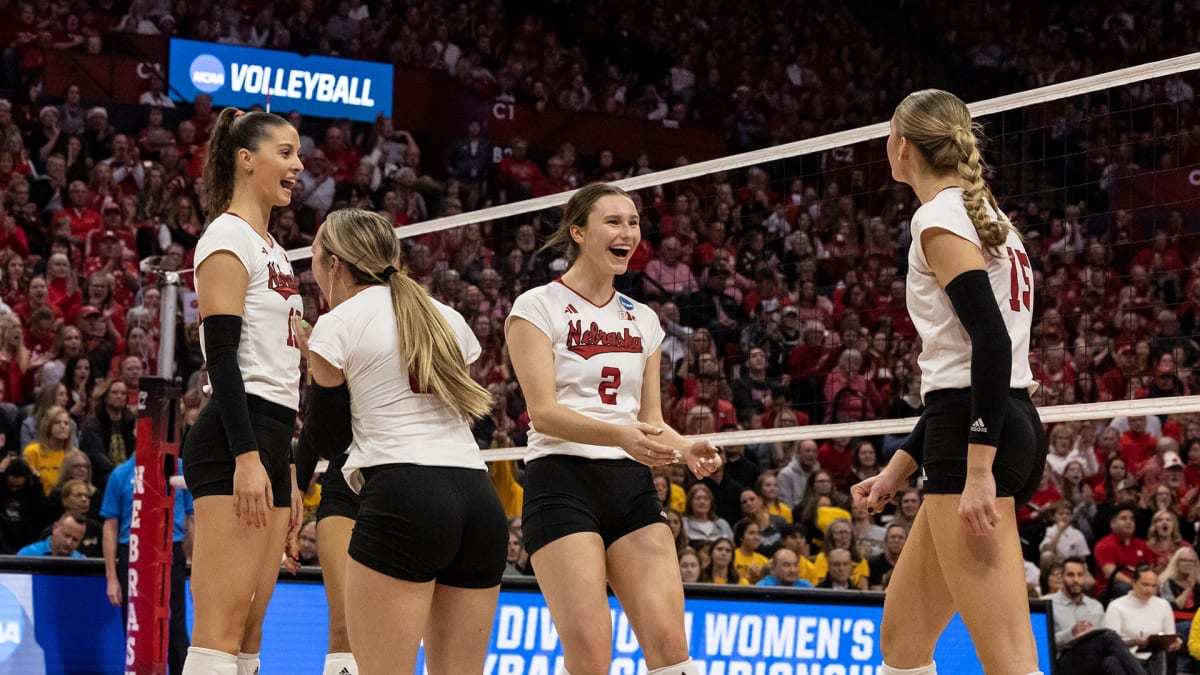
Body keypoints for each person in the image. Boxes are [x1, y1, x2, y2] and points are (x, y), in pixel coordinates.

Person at [851, 89, 1047, 675]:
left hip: (976, 439)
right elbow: (965, 369)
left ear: (902, 145)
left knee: (1010, 661)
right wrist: (898, 468)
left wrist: (979, 470)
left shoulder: (937, 217)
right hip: (988, 421)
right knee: (903, 643)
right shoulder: (989, 220)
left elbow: (990, 343)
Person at [505, 182, 721, 675]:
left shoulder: (643, 318)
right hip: (561, 482)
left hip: (630, 487)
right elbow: (543, 413)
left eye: (634, 222)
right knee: (591, 657)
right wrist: (620, 435)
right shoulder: (536, 306)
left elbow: (649, 422)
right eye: (614, 222)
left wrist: (685, 447)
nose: (628, 233)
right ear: (578, 232)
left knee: (672, 652)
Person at [298, 208, 507, 675]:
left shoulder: (337, 323)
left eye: (312, 255)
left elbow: (332, 442)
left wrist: (315, 364)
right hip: (478, 501)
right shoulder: (447, 317)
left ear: (333, 264)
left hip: (404, 499)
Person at [179, 108, 305, 675]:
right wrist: (249, 455)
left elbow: (281, 364)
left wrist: (289, 468)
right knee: (219, 630)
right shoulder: (226, 237)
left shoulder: (274, 248)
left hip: (274, 436)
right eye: (286, 152)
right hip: (236, 436)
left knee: (252, 627)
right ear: (245, 159)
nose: (298, 165)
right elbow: (221, 356)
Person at [102, 455, 195, 675]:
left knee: (176, 630)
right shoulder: (122, 473)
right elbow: (110, 526)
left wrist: (197, 568)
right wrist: (111, 578)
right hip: (134, 552)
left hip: (171, 550)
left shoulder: (183, 469)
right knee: (136, 627)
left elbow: (193, 519)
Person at [1050, 557, 1144, 675]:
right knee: (1109, 636)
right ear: (1061, 577)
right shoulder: (1049, 604)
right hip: (1064, 663)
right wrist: (1071, 633)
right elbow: (1043, 644)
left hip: (1091, 661)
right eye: (1070, 575)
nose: (1076, 580)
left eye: (1080, 575)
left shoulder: (1095, 605)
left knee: (1111, 661)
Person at [1104, 564, 1182, 673]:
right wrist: (1134, 642)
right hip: (1127, 657)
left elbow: (1169, 636)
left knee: (1161, 653)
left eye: (1153, 586)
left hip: (1154, 656)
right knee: (1112, 660)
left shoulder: (1163, 605)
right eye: (1145, 585)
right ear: (1133, 583)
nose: (1149, 590)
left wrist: (1173, 644)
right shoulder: (1116, 606)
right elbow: (1110, 644)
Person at [17, 512, 86, 557]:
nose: (68, 543)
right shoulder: (28, 555)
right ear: (55, 528)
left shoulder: (83, 562)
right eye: (66, 535)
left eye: (75, 539)